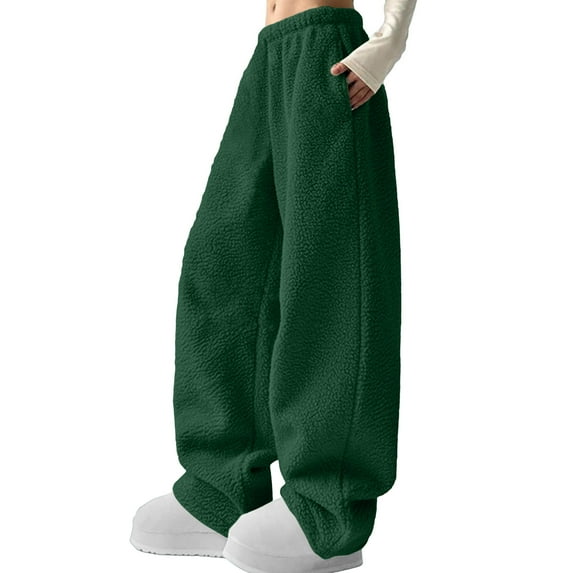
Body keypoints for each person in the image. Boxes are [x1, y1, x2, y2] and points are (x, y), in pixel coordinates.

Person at [130, 1, 417, 572]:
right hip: (270, 53)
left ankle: (328, 508)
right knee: (225, 261)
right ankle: (221, 488)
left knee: (331, 280)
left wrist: (391, 38)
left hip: (330, 57)